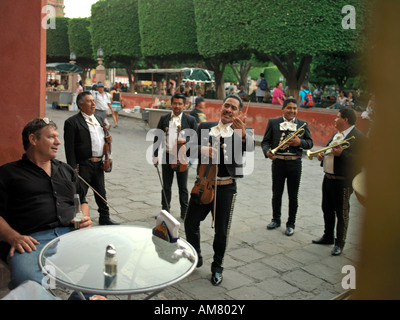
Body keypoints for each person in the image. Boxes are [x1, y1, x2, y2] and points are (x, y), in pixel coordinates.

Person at [0, 118, 92, 290]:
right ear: (33, 139)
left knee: (111, 258)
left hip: (71, 235)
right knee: (27, 281)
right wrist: (12, 236)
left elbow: (83, 201)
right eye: (51, 137)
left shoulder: (66, 170)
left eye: (57, 137)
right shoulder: (8, 173)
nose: (58, 142)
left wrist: (84, 216)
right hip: (32, 241)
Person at [184, 95, 255, 286]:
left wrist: (240, 136)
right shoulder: (205, 127)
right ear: (221, 107)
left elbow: (245, 154)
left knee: (221, 232)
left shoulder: (244, 132)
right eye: (226, 105)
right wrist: (201, 149)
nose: (229, 110)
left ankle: (217, 268)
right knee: (190, 222)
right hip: (203, 184)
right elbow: (189, 150)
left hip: (226, 187)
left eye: (234, 108)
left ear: (238, 113)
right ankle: (195, 256)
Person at [312, 108, 365, 256]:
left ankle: (339, 243)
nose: (335, 119)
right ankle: (327, 236)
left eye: (337, 117)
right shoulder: (338, 134)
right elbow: (330, 150)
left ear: (345, 120)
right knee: (326, 208)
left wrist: (343, 153)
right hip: (328, 177)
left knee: (342, 212)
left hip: (343, 180)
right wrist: (323, 155)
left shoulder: (359, 137)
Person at [64, 91, 118, 225]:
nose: (93, 104)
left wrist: (108, 140)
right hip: (83, 164)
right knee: (79, 193)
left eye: (93, 101)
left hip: (98, 163)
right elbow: (69, 148)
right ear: (80, 105)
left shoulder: (98, 119)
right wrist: (72, 168)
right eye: (89, 101)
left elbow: (102, 138)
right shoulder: (72, 122)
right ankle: (78, 219)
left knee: (101, 192)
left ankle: (104, 217)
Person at [261, 98, 313, 236]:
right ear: (283, 108)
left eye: (295, 108)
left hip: (295, 163)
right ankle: (276, 219)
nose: (292, 111)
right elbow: (265, 141)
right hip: (278, 162)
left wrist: (299, 142)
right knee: (276, 193)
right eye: (289, 108)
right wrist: (267, 151)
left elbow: (310, 143)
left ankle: (291, 224)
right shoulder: (273, 122)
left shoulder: (303, 124)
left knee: (293, 195)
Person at [152, 93, 198, 219]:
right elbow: (158, 137)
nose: (177, 106)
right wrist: (155, 155)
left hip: (182, 157)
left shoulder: (190, 120)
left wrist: (186, 140)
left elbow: (195, 139)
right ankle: (165, 211)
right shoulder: (164, 118)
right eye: (175, 103)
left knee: (182, 187)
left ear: (184, 106)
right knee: (166, 187)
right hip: (167, 156)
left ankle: (185, 212)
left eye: (180, 104)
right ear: (171, 104)